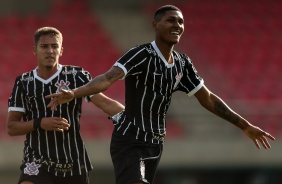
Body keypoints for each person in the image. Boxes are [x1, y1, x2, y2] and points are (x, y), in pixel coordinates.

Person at [46, 5, 275, 184]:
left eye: (181, 21)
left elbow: (208, 99)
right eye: (171, 20)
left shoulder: (183, 64)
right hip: (130, 141)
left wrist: (244, 125)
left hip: (155, 145)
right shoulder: (141, 54)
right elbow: (107, 78)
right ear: (155, 25)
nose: (177, 25)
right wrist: (74, 93)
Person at [7, 27, 124, 184]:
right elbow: (12, 127)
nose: (50, 51)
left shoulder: (76, 76)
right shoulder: (23, 82)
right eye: (44, 46)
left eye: (54, 46)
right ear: (35, 50)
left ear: (61, 50)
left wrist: (134, 120)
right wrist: (40, 123)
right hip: (37, 160)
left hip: (73, 161)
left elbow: (104, 103)